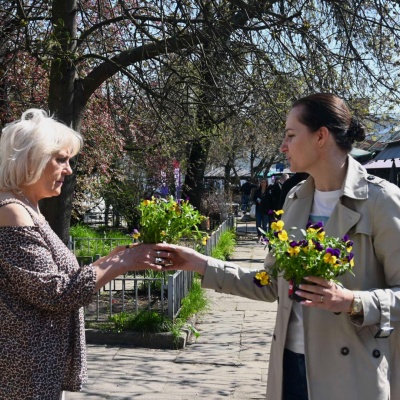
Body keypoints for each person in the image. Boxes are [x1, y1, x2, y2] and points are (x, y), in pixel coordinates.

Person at [154, 93, 400, 400]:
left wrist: (352, 301)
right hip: (289, 369)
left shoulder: (380, 201)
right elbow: (270, 284)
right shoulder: (296, 199)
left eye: (291, 135)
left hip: (351, 377)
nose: (283, 146)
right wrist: (198, 263)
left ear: (321, 136)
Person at [0, 109, 164, 399]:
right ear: (30, 159)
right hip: (24, 374)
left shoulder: (26, 206)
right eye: (60, 159)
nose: (69, 170)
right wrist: (120, 263)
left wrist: (110, 260)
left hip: (35, 367)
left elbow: (53, 281)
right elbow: (56, 293)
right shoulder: (12, 212)